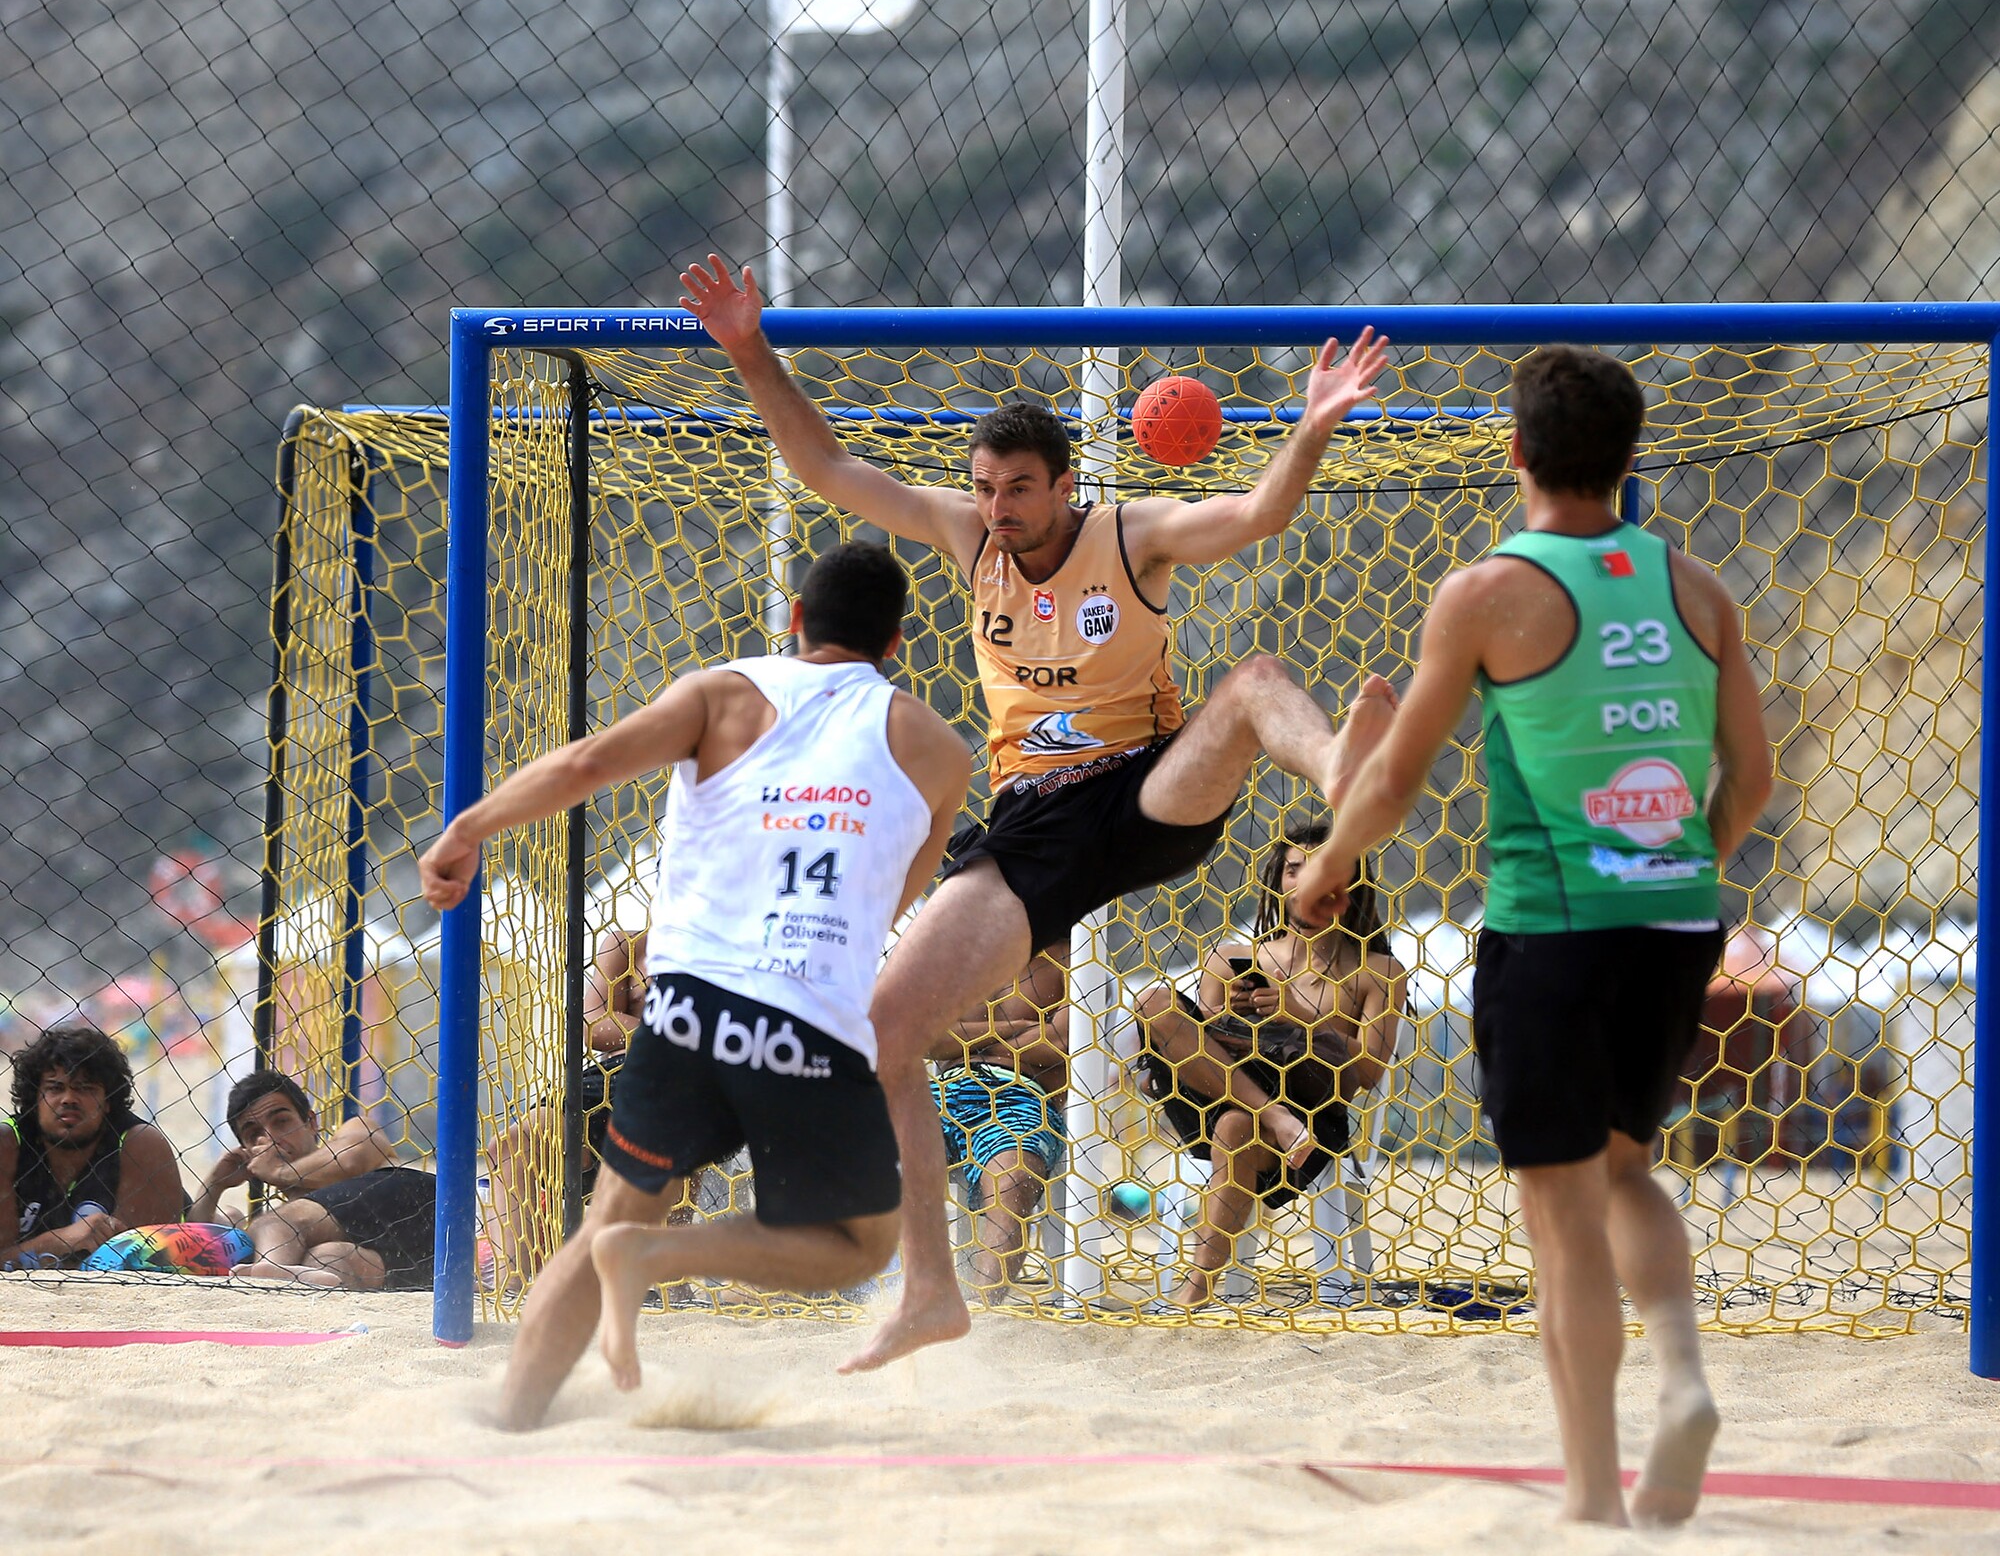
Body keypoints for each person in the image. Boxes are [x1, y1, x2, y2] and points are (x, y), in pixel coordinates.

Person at [676, 254, 1399, 1372]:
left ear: (1065, 485)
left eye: (1017, 488)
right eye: (983, 487)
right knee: (884, 1033)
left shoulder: (1133, 535)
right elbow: (823, 466)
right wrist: (744, 346)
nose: (996, 508)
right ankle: (930, 1290)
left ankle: (1347, 770)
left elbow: (1258, 515)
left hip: (1151, 789)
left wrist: (1308, 429)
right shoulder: (969, 546)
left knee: (1253, 683)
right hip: (1033, 826)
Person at [1290, 345, 1774, 1528]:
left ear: (1516, 455)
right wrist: (1680, 867)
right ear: (1628, 459)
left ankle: (1592, 1498)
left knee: (1558, 1219)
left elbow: (1398, 776)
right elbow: (1751, 781)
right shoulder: (1698, 589)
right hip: (1674, 919)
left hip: (1551, 926)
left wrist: (1327, 868)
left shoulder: (1486, 592)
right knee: (1625, 1174)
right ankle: (1686, 1376)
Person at [417, 540, 970, 1430]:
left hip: (684, 1013)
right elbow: (890, 900)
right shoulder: (939, 752)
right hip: (805, 1028)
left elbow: (588, 764)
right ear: (897, 644)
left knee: (603, 1218)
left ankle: (510, 1418)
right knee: (861, 1241)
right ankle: (657, 1259)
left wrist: (469, 830)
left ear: (795, 621)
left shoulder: (722, 693)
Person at [1131, 822, 1403, 1307]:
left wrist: (1292, 1014)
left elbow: (1368, 1074)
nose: (1304, 881)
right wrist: (1226, 1016)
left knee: (1238, 1127)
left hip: (1312, 1117)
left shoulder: (1377, 971)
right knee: (1154, 1001)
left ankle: (1192, 1295)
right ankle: (1272, 1116)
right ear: (1278, 882)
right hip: (1218, 1098)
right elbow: (1198, 1047)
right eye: (1292, 869)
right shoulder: (1231, 957)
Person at [482, 927, 690, 1293]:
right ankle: (515, 1286)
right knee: (514, 1145)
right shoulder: (629, 944)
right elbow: (591, 1022)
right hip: (617, 1074)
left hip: (687, 1083)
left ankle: (670, 1282)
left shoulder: (733, 941)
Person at [197, 1068, 439, 1288]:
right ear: (249, 1152)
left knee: (271, 1224)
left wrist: (279, 1172)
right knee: (324, 1260)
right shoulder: (292, 1230)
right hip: (416, 1266)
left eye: (281, 1122)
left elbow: (352, 1157)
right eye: (254, 1134)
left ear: (311, 1123)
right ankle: (281, 1289)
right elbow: (196, 1242)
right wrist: (214, 1185)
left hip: (423, 1209)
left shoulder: (352, 1130)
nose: (271, 1137)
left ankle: (267, 1288)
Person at [928, 941, 1069, 1298]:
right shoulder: (963, 950)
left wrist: (972, 1038)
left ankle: (979, 1312)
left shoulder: (1078, 954)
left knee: (1013, 1179)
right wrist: (1014, 1028)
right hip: (943, 1090)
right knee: (867, 1146)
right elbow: (930, 1039)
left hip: (1022, 1095)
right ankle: (863, 1290)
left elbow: (1063, 1041)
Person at [1, 1025, 186, 1268]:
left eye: (85, 1088)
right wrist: (59, 1240)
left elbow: (154, 1263)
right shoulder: (7, 1145)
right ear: (35, 1099)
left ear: (108, 1101)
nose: (68, 1099)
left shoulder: (139, 1144)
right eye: (55, 1087)